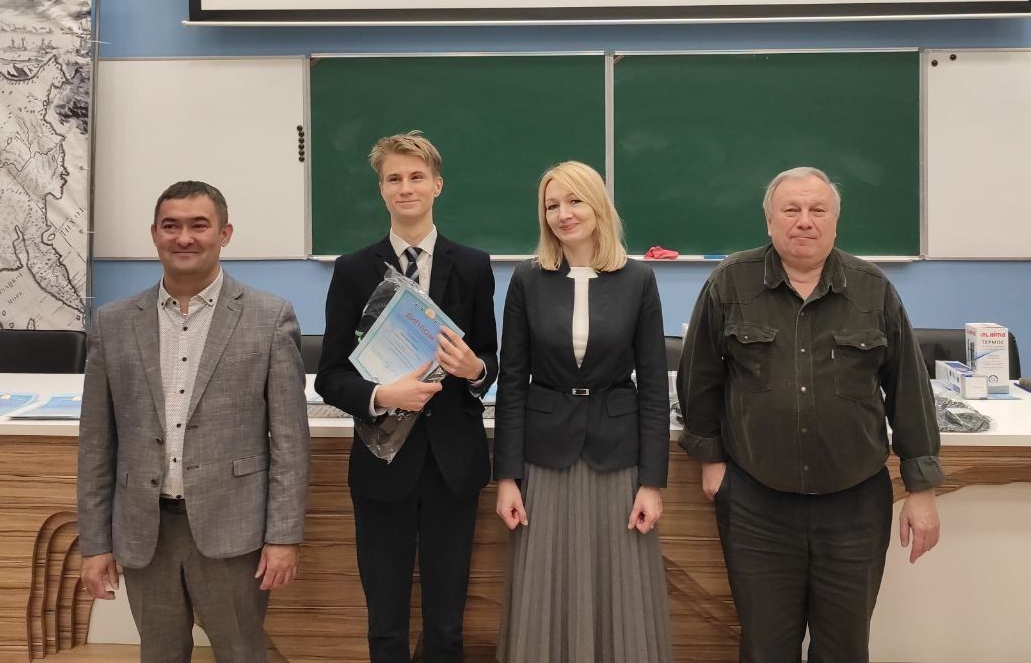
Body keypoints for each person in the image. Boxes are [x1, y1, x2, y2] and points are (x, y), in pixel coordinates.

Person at [677, 166, 943, 663]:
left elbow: (909, 390)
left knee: (844, 648)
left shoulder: (873, 289)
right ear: (770, 221)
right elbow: (699, 379)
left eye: (817, 210)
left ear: (835, 222)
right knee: (765, 647)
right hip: (757, 505)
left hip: (854, 505)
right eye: (791, 210)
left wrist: (922, 489)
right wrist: (711, 460)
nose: (805, 221)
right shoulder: (730, 283)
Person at [77, 181, 310, 663]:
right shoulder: (113, 323)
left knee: (242, 653)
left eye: (199, 225)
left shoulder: (269, 318)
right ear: (154, 234)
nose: (184, 237)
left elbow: (290, 442)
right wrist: (95, 544)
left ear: (224, 234)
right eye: (171, 226)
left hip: (234, 529)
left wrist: (283, 537)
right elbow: (96, 444)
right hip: (145, 531)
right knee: (159, 654)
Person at [316, 131, 498, 663]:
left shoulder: (473, 266)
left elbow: (491, 358)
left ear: (437, 184)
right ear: (381, 190)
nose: (406, 187)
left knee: (446, 623)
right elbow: (330, 375)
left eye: (417, 177)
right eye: (393, 178)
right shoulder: (353, 270)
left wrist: (476, 369)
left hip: (452, 465)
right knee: (386, 623)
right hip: (382, 464)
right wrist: (381, 394)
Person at [494, 160, 671, 663]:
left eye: (575, 201)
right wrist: (506, 477)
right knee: (545, 587)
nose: (563, 214)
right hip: (545, 459)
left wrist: (652, 483)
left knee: (620, 588)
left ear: (598, 207)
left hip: (617, 461)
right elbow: (512, 382)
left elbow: (653, 386)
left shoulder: (638, 279)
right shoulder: (527, 279)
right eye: (552, 205)